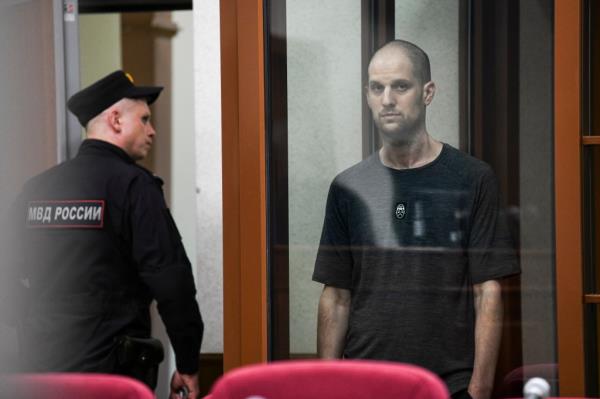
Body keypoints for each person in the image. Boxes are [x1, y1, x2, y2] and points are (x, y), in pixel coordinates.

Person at [313, 40, 519, 399]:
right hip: (364, 384)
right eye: (377, 88)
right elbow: (336, 295)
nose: (387, 99)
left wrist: (479, 391)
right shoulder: (348, 187)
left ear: (428, 92)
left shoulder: (472, 178)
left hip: (447, 386)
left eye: (400, 86)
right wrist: (328, 387)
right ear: (367, 95)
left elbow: (487, 292)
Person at [3, 71, 203, 399]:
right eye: (144, 119)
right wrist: (189, 362)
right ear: (115, 119)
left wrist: (35, 322)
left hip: (39, 374)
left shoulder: (37, 189)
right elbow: (172, 283)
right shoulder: (134, 187)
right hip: (111, 379)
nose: (151, 130)